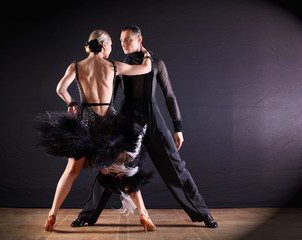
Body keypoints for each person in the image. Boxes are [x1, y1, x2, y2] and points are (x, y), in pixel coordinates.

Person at [71, 25, 218, 228]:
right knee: (110, 169)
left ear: (139, 40)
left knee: (176, 169)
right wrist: (102, 127)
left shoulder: (157, 64)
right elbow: (108, 98)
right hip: (127, 126)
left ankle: (203, 214)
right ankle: (86, 216)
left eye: (128, 39)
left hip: (154, 124)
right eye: (121, 40)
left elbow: (169, 96)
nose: (123, 43)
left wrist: (178, 127)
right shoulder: (117, 66)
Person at [36, 29, 156, 232]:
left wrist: (72, 102)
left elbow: (60, 89)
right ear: (105, 45)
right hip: (109, 124)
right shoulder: (113, 66)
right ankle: (144, 214)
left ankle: (52, 214)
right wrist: (146, 52)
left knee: (71, 171)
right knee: (123, 171)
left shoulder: (77, 66)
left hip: (86, 124)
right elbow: (145, 69)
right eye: (111, 46)